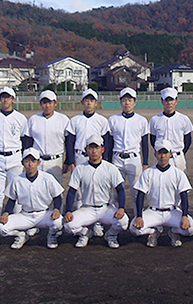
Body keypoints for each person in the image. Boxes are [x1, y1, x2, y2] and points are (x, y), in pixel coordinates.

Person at [63, 134, 129, 248]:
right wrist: (68, 210)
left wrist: (121, 208)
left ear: (102, 149)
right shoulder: (80, 169)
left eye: (97, 147)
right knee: (68, 225)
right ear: (86, 150)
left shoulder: (110, 168)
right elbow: (72, 191)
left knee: (123, 222)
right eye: (91, 148)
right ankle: (85, 234)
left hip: (105, 208)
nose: (94, 151)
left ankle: (111, 235)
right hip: (87, 208)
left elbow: (120, 189)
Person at [130, 139, 193, 248]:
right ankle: (153, 231)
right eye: (159, 153)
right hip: (153, 211)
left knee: (190, 229)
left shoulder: (177, 173)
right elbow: (140, 195)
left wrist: (184, 216)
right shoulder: (148, 173)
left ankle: (174, 232)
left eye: (165, 153)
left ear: (170, 154)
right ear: (155, 154)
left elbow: (184, 196)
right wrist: (139, 216)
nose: (162, 156)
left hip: (172, 212)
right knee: (134, 229)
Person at [0, 148, 64, 249]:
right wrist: (6, 214)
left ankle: (51, 235)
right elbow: (11, 200)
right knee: (0, 227)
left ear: (38, 162)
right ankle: (21, 235)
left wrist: (57, 209)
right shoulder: (17, 180)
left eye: (33, 161)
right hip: (25, 215)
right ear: (22, 163)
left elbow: (57, 197)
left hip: (43, 214)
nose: (30, 164)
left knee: (58, 222)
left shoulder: (47, 178)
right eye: (27, 161)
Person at [64, 88, 110, 237]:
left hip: (97, 157)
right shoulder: (75, 120)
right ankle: (81, 222)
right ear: (82, 102)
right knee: (79, 191)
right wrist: (70, 161)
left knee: (96, 187)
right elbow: (69, 142)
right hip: (80, 157)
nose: (89, 103)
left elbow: (107, 142)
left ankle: (97, 223)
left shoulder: (102, 121)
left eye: (92, 100)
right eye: (86, 100)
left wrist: (106, 160)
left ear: (96, 103)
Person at [0, 87, 27, 225]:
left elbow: (24, 138)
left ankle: (16, 222)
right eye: (3, 97)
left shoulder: (20, 118)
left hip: (15, 156)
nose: (5, 100)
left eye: (8, 97)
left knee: (16, 191)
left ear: (13, 100)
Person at [106, 87, 149, 208]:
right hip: (117, 158)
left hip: (134, 159)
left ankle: (137, 218)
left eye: (130, 100)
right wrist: (108, 162)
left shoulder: (142, 120)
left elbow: (145, 143)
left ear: (135, 102)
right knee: (114, 192)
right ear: (120, 102)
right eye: (124, 100)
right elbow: (109, 143)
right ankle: (116, 221)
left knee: (136, 192)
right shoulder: (113, 120)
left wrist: (145, 163)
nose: (127, 103)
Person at [23, 90, 70, 185]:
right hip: (38, 161)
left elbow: (68, 142)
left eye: (50, 102)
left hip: (56, 161)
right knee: (38, 190)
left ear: (55, 103)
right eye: (44, 103)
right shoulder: (33, 119)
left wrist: (68, 161)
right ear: (40, 103)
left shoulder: (63, 119)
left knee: (56, 191)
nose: (47, 106)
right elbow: (28, 142)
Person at [149, 87, 193, 171]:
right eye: (166, 100)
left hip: (177, 158)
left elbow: (188, 140)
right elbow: (153, 140)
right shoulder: (155, 119)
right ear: (162, 101)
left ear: (176, 101)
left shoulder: (184, 119)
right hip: (161, 158)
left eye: (171, 100)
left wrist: (180, 153)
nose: (169, 103)